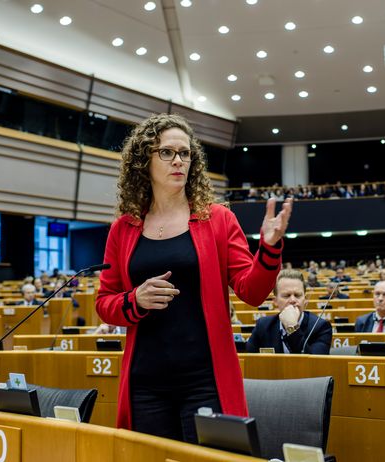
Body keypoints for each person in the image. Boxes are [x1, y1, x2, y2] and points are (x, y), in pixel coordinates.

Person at [95, 113, 292, 443]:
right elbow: (105, 302)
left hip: (204, 380)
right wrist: (135, 301)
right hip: (145, 382)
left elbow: (252, 291)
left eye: (185, 153)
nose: (179, 161)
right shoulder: (124, 228)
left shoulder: (217, 219)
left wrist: (269, 249)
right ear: (144, 160)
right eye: (167, 153)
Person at [246, 270, 331, 354]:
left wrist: (292, 327)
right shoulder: (263, 325)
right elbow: (248, 359)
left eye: (297, 295)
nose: (293, 300)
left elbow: (314, 364)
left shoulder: (321, 327)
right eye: (286, 296)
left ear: (304, 299)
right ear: (275, 301)